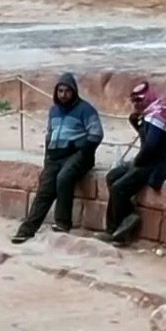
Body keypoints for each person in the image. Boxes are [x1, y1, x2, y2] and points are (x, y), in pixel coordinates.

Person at [10, 72, 103, 243]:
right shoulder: (54, 111)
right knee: (45, 190)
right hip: (55, 156)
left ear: (74, 91)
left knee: (64, 178)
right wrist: (48, 158)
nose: (63, 95)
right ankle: (27, 230)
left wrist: (83, 151)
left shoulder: (85, 109)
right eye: (60, 91)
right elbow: (50, 134)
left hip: (78, 155)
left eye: (67, 91)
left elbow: (96, 134)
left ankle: (62, 223)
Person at [103, 77, 166, 247]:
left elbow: (151, 147)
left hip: (159, 163)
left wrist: (136, 162)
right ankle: (119, 224)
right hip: (149, 160)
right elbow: (147, 140)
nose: (136, 105)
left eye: (139, 101)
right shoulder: (148, 114)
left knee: (119, 188)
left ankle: (120, 227)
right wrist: (135, 123)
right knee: (112, 177)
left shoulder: (158, 114)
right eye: (134, 101)